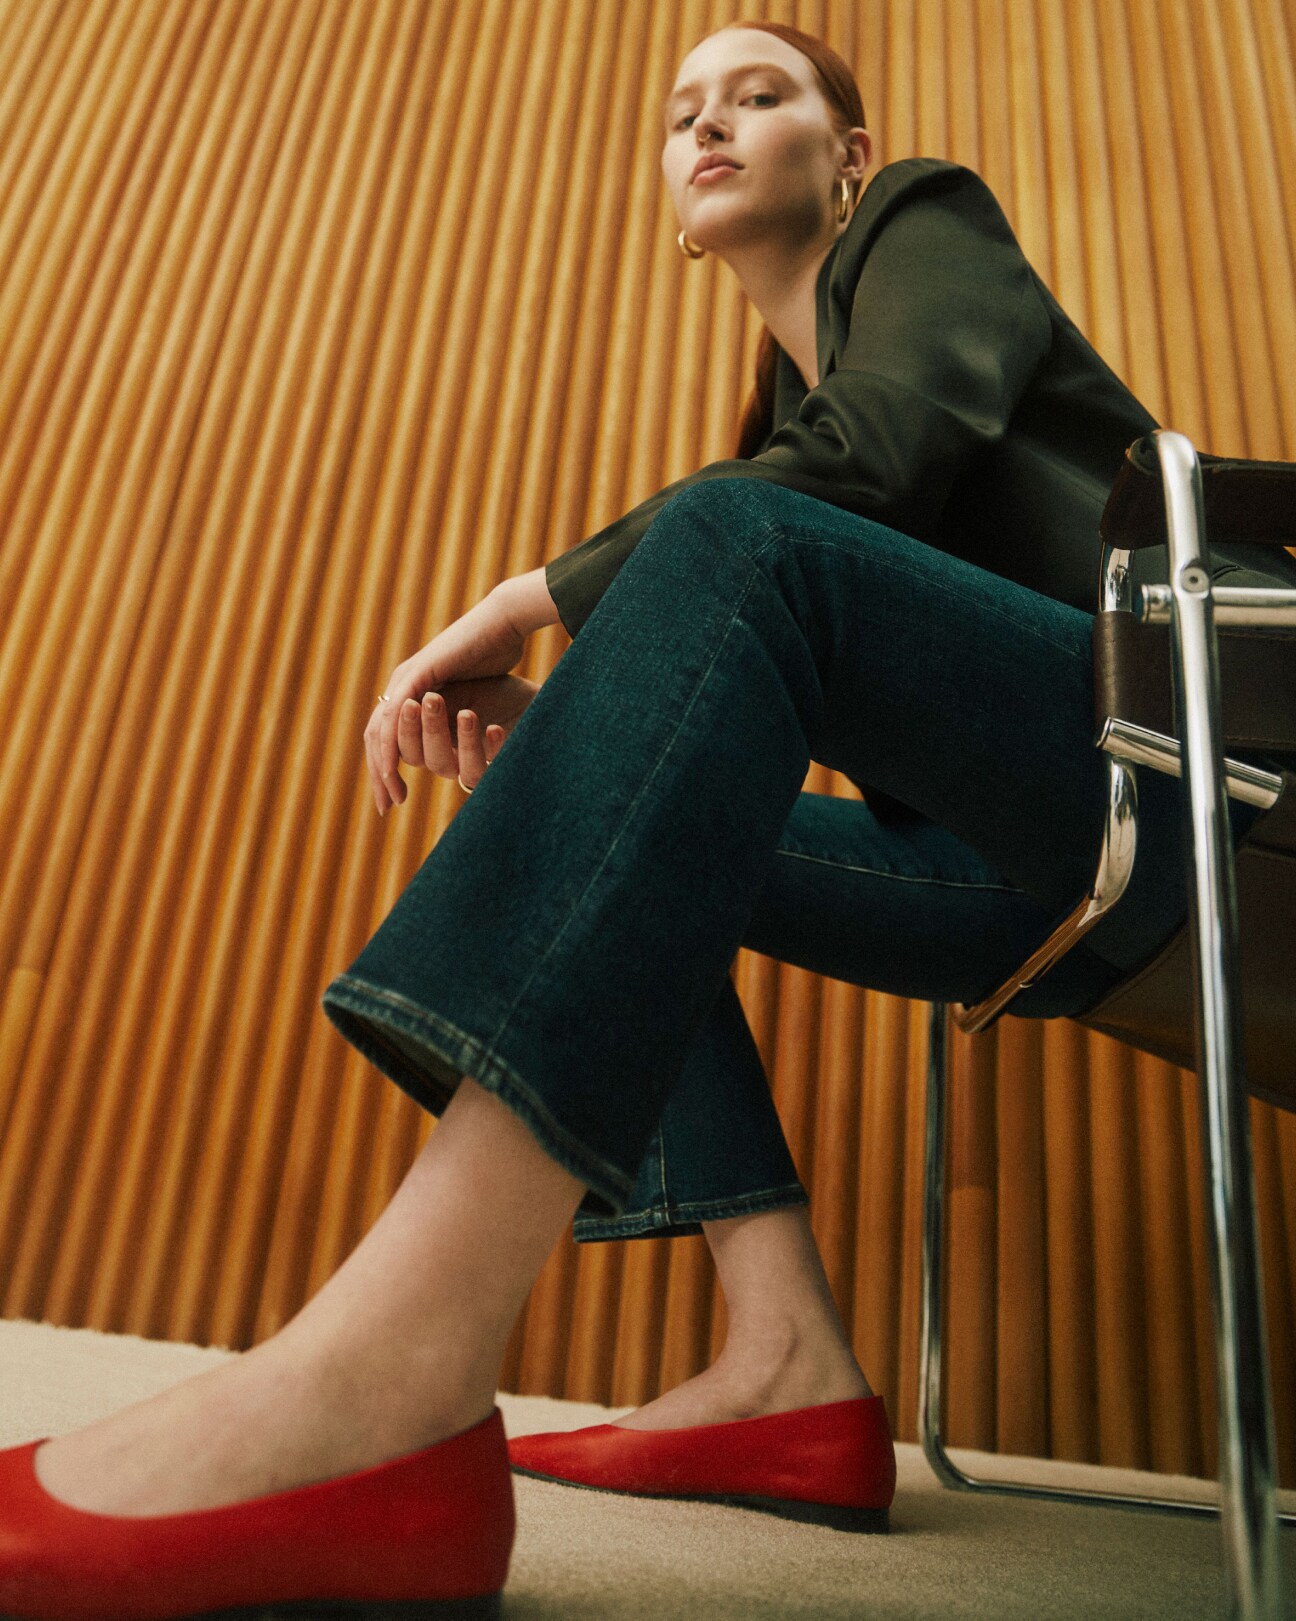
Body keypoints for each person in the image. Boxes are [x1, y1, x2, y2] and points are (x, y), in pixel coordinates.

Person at [3, 19, 1292, 1620]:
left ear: (850, 158)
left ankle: (386, 1378)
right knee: (654, 775)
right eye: (685, 113)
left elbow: (881, 453)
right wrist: (592, 742)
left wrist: (532, 599)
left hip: (1208, 773)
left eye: (760, 96)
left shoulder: (925, 220)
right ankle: (784, 1357)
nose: (712, 124)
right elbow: (795, 556)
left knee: (731, 542)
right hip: (1042, 870)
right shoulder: (773, 435)